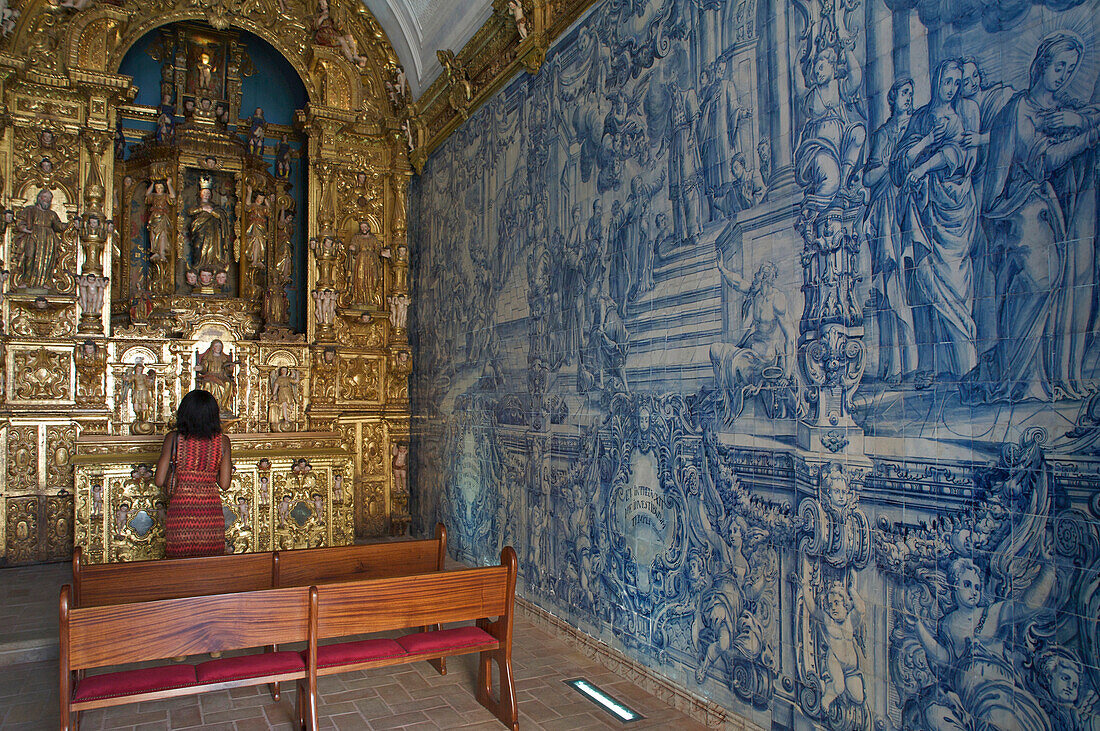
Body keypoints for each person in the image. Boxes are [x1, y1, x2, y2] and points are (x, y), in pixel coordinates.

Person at [154, 389, 231, 558]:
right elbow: (225, 484)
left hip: (181, 509)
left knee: (180, 563)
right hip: (210, 511)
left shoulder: (173, 439)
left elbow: (159, 480)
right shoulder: (222, 441)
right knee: (210, 564)